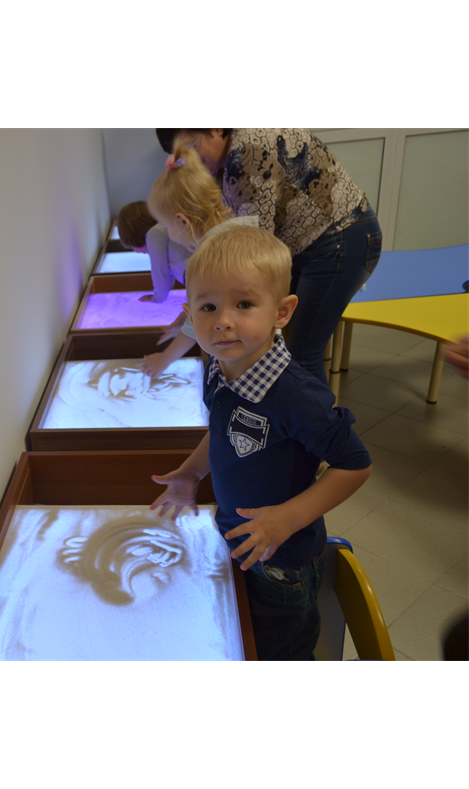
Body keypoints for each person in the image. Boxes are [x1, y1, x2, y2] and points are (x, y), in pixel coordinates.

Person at [150, 224, 372, 660]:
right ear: (191, 317)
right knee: (246, 633)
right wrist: (191, 473)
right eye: (208, 307)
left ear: (282, 312)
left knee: (279, 649)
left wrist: (287, 518)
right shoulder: (218, 369)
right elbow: (223, 429)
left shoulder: (296, 396)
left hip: (283, 560)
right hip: (239, 537)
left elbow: (355, 464)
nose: (223, 321)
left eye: (244, 304)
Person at [155, 128, 383, 387]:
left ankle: (313, 413)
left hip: (340, 239)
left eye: (192, 147)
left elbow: (253, 253)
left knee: (301, 352)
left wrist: (181, 337)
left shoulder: (247, 153)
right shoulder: (227, 159)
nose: (193, 160)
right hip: (308, 245)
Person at [141, 143, 259, 377]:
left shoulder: (211, 257)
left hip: (246, 362)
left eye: (166, 226)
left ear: (182, 221)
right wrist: (182, 320)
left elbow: (200, 321)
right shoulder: (234, 235)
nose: (168, 234)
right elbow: (213, 302)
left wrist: (163, 360)